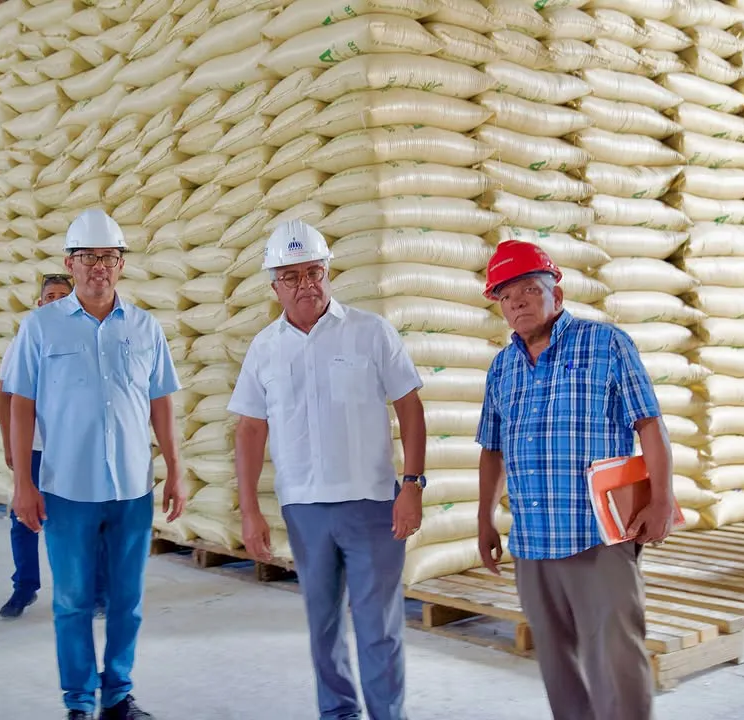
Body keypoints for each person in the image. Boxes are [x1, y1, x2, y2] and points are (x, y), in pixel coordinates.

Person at [228, 219, 428, 720]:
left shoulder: (370, 332)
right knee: (323, 626)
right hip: (304, 509)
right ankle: (338, 713)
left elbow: (409, 406)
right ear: (274, 287)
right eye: (291, 276)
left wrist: (412, 485)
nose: (305, 285)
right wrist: (249, 510)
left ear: (328, 273)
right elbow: (249, 430)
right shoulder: (264, 348)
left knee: (379, 627)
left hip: (373, 505)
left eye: (314, 272)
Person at [475, 241, 676, 720]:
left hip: (597, 536)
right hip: (533, 541)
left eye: (529, 289)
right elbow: (492, 449)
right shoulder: (502, 368)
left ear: (557, 295)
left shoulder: (606, 345)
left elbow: (649, 424)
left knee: (616, 657)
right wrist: (484, 518)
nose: (518, 302)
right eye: (506, 296)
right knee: (556, 659)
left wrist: (662, 499)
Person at [2, 208, 186, 720]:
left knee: (127, 600)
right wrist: (23, 482)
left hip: (131, 487)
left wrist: (175, 469)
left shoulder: (145, 327)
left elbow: (161, 402)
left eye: (108, 257)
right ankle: (79, 700)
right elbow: (21, 405)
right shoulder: (40, 327)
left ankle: (118, 695)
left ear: (122, 264)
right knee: (72, 601)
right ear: (70, 263)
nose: (98, 267)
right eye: (88, 257)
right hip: (67, 487)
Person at [0, 273, 109, 619]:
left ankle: (95, 592)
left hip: (76, 449)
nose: (56, 302)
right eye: (50, 297)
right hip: (35, 448)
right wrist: (10, 443)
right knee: (24, 518)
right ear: (39, 303)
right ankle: (24, 587)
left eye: (63, 296)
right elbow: (5, 398)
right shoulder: (24, 341)